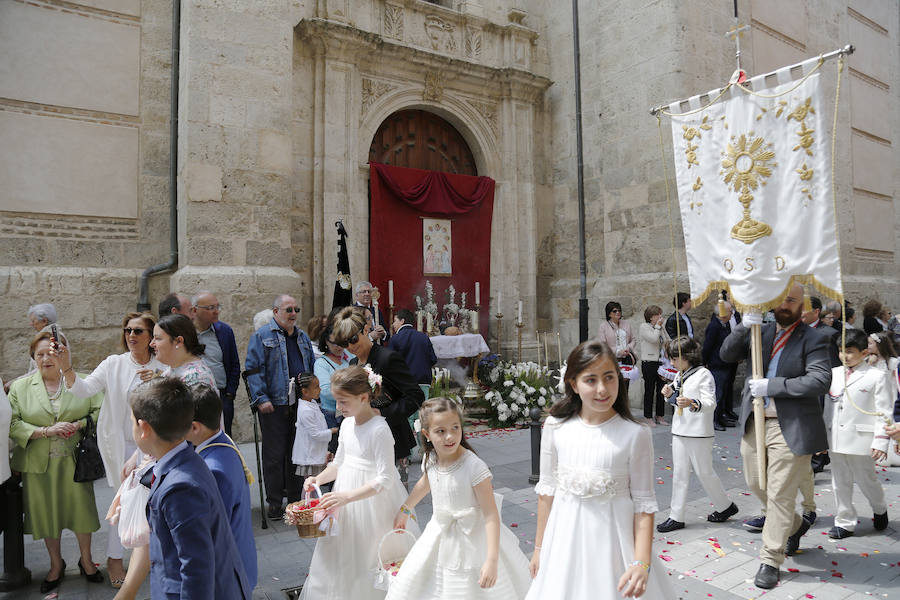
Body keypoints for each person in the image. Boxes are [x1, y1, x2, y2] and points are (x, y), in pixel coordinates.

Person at [526, 340, 673, 599]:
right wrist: (539, 548)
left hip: (615, 546)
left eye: (609, 377)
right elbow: (546, 494)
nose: (602, 389)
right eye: (591, 380)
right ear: (573, 383)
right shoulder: (555, 427)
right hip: (564, 544)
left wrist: (641, 563)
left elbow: (644, 505)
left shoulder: (635, 434)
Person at [719, 283, 832, 590]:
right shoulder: (761, 332)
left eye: (791, 301)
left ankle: (770, 558)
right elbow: (726, 354)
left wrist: (773, 386)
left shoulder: (816, 338)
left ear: (801, 305)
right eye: (780, 299)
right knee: (758, 484)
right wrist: (743, 326)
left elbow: (820, 379)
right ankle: (795, 526)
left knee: (780, 493)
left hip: (791, 425)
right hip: (756, 422)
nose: (784, 305)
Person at [387, 397, 531, 599]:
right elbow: (426, 483)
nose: (450, 436)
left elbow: (491, 515)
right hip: (440, 533)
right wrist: (405, 508)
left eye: (455, 428)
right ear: (427, 434)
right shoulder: (431, 458)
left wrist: (491, 560)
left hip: (475, 540)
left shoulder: (474, 466)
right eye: (441, 431)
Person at [59, 311, 163, 587]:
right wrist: (67, 368)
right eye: (128, 330)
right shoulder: (114, 364)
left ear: (152, 336)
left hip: (156, 444)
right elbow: (83, 389)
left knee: (155, 500)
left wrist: (161, 376)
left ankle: (152, 554)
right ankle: (114, 558)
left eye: (138, 331)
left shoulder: (163, 364)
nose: (131, 335)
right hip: (121, 445)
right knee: (123, 501)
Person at [299, 366, 418, 600]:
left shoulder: (379, 430)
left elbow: (385, 478)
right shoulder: (346, 425)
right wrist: (318, 478)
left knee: (369, 557)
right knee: (341, 558)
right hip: (345, 498)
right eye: (337, 401)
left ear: (364, 397)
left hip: (373, 503)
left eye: (343, 402)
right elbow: (339, 463)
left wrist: (346, 497)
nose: (338, 408)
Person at [129, 377, 251, 599]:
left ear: (144, 428)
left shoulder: (180, 487)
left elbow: (197, 569)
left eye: (131, 422)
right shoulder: (187, 459)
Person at [8, 331, 104, 593]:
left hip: (75, 461)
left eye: (51, 353)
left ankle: (86, 561)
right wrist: (44, 432)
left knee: (81, 512)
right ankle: (55, 565)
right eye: (39, 354)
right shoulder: (20, 388)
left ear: (64, 354)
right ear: (33, 358)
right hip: (38, 464)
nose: (46, 359)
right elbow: (13, 423)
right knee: (47, 515)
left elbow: (98, 413)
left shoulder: (83, 381)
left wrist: (78, 424)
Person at [332, 306, 425, 486]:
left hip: (392, 439)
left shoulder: (387, 358)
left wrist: (383, 413)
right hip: (363, 445)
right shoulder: (352, 363)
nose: (350, 347)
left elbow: (415, 395)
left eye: (353, 339)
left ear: (366, 329)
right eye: (344, 343)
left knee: (392, 502)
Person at [656, 337, 737, 533]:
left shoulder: (704, 374)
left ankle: (725, 506)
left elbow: (711, 403)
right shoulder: (678, 376)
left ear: (687, 356)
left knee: (704, 472)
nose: (672, 363)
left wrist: (692, 402)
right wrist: (668, 395)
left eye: (675, 358)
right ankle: (676, 517)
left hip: (699, 433)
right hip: (679, 431)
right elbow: (676, 401)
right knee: (680, 474)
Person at [245, 294, 315, 519]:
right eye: (288, 310)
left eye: (296, 309)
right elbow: (253, 370)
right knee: (274, 455)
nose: (293, 314)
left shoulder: (303, 337)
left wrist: (312, 395)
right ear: (276, 312)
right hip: (274, 404)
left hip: (299, 404)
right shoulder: (262, 336)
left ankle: (294, 498)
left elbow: (310, 366)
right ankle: (274, 502)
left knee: (296, 453)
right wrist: (260, 398)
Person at [185, 384, 258, 588]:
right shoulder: (221, 442)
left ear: (195, 427)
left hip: (228, 572)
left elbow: (213, 531)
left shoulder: (214, 469)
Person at [823, 328, 891, 539]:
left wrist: (880, 441)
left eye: (850, 351)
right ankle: (844, 521)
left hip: (862, 439)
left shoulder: (877, 376)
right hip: (835, 438)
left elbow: (884, 410)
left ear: (864, 353)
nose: (845, 356)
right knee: (839, 481)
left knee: (867, 480)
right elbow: (827, 408)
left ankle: (879, 508)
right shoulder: (833, 374)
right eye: (841, 351)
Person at [192, 292, 241, 436]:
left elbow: (234, 364)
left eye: (217, 307)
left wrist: (230, 393)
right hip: (193, 398)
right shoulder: (186, 333)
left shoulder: (224, 331)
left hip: (221, 396)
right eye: (210, 308)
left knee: (223, 439)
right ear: (195, 310)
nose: (216, 311)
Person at [291, 373, 337, 484]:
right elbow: (315, 434)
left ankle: (312, 501)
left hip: (315, 452)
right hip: (310, 456)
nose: (320, 389)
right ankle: (307, 501)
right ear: (305, 391)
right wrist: (332, 431)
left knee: (314, 483)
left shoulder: (312, 403)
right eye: (316, 387)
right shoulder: (305, 410)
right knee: (311, 484)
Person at [151, 315, 217, 390]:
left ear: (179, 341)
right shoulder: (172, 369)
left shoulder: (197, 378)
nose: (151, 344)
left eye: (157, 338)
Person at [702, 301, 740, 430]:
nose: (731, 314)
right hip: (717, 364)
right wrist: (704, 362)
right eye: (730, 311)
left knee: (723, 394)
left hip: (725, 363)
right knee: (717, 394)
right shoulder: (714, 326)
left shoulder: (723, 325)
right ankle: (713, 420)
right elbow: (707, 346)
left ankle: (720, 417)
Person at [315, 324, 352, 453]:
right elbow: (325, 391)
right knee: (336, 452)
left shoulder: (350, 357)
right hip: (333, 414)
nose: (338, 346)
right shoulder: (321, 363)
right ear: (326, 342)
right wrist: (352, 393)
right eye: (334, 343)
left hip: (352, 411)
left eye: (341, 342)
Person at [389, 308, 438, 385]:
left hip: (404, 383)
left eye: (395, 321)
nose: (393, 324)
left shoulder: (395, 338)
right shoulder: (424, 337)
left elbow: (391, 363)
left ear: (402, 321)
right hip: (424, 381)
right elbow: (433, 359)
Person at [638, 305, 669, 426]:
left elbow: (666, 340)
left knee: (662, 390)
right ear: (651, 317)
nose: (661, 317)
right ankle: (647, 416)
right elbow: (653, 339)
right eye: (658, 315)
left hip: (661, 362)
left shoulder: (660, 327)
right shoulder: (644, 327)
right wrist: (658, 327)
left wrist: (662, 329)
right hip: (649, 362)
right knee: (649, 390)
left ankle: (660, 415)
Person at [867, 332, 900, 421]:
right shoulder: (867, 361)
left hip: (890, 392)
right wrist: (869, 363)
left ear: (879, 345)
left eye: (870, 343)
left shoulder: (893, 362)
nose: (867, 346)